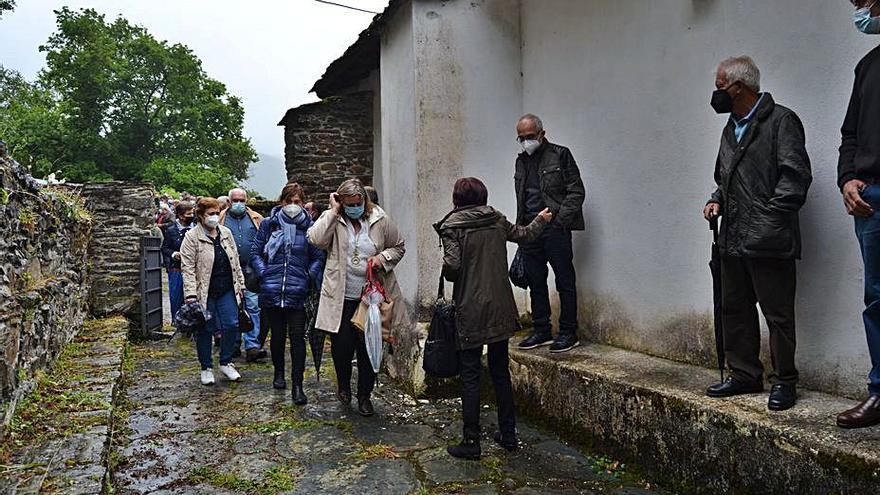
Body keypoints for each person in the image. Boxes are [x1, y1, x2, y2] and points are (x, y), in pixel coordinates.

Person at [702, 56, 812, 411]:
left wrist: (766, 222)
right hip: (731, 238)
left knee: (777, 314)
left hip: (768, 239)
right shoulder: (728, 128)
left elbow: (795, 179)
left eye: (720, 86)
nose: (716, 93)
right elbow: (725, 178)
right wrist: (716, 200)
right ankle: (745, 374)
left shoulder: (782, 121)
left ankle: (784, 381)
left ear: (739, 87)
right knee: (734, 309)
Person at [435, 177, 552, 460]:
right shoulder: (496, 219)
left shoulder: (452, 227)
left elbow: (452, 267)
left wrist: (450, 269)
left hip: (470, 309)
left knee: (471, 375)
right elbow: (524, 235)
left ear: (457, 199)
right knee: (500, 371)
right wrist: (541, 219)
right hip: (500, 306)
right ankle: (508, 434)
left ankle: (471, 442)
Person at [307, 179, 410, 416]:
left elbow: (399, 246)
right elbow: (316, 240)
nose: (355, 207)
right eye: (349, 204)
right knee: (341, 347)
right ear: (341, 202)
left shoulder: (379, 220)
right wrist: (332, 211)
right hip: (341, 296)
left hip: (371, 298)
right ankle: (343, 385)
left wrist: (381, 259)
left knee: (369, 347)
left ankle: (365, 395)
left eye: (359, 203)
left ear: (365, 200)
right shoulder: (335, 219)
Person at [836, 0, 880, 429]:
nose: (861, 11)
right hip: (872, 198)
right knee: (878, 299)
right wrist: (847, 178)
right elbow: (849, 133)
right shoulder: (867, 66)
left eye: (865, 2)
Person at [514, 114, 586, 353]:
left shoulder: (560, 154)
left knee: (564, 281)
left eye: (530, 137)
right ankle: (541, 329)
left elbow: (576, 191)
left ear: (542, 134)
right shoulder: (521, 161)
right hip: (530, 230)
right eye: (521, 138)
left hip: (554, 230)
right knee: (535, 282)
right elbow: (523, 197)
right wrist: (522, 229)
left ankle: (568, 332)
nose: (526, 142)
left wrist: (559, 221)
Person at [252, 183, 326, 404]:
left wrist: (307, 275)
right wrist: (265, 273)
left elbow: (318, 257)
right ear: (281, 202)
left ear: (303, 204)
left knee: (297, 338)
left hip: (298, 290)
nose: (293, 206)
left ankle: (297, 385)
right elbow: (256, 252)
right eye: (289, 202)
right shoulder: (269, 224)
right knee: (277, 336)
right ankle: (278, 373)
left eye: (297, 202)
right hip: (272, 289)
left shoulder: (310, 228)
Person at [180, 197, 247, 385]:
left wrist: (240, 285)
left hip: (226, 288)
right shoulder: (192, 237)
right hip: (205, 291)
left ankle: (226, 362)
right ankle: (206, 367)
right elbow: (188, 268)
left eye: (217, 213)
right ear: (201, 215)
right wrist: (191, 295)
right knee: (205, 328)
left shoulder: (226, 233)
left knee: (232, 324)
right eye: (211, 214)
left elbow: (235, 261)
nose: (215, 217)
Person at [220, 187, 266, 362]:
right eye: (236, 200)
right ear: (229, 201)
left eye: (242, 200)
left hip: (251, 269)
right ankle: (233, 344)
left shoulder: (256, 219)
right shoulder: (221, 219)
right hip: (228, 270)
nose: (239, 203)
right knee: (232, 308)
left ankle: (252, 346)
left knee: (253, 306)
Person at [161, 201, 194, 322]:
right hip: (177, 269)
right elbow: (164, 248)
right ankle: (178, 323)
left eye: (192, 213)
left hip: (194, 269)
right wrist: (174, 254)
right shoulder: (171, 230)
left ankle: (193, 324)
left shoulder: (196, 229)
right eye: (189, 214)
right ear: (180, 215)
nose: (191, 216)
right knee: (176, 297)